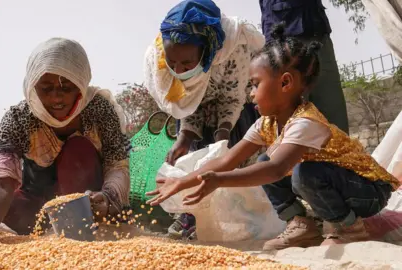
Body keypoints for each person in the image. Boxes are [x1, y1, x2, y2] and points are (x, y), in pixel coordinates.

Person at [146, 24, 400, 250]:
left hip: (369, 191)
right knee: (264, 161)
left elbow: (277, 170)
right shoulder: (265, 123)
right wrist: (183, 181)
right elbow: (228, 160)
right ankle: (301, 224)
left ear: (285, 83)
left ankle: (349, 227)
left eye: (255, 84)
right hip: (338, 186)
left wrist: (219, 180)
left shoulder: (305, 122)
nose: (251, 93)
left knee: (299, 172)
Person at [0, 38, 131, 242]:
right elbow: (3, 180)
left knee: (77, 149)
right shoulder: (18, 119)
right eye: (46, 88)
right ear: (33, 85)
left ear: (81, 84)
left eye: (66, 88)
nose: (56, 98)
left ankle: (77, 233)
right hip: (38, 204)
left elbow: (117, 165)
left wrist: (107, 198)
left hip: (89, 207)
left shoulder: (99, 110)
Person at [144, 0, 264, 239]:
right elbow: (187, 102)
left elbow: (232, 99)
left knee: (230, 157)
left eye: (187, 63)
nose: (178, 69)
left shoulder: (232, 48)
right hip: (195, 111)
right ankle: (192, 216)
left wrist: (222, 143)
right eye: (173, 62)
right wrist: (185, 137)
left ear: (206, 51)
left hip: (237, 107)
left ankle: (239, 214)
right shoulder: (162, 54)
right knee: (192, 157)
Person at [259, 0, 350, 133]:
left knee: (331, 107)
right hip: (284, 39)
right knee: (292, 116)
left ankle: (344, 152)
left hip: (316, 32)